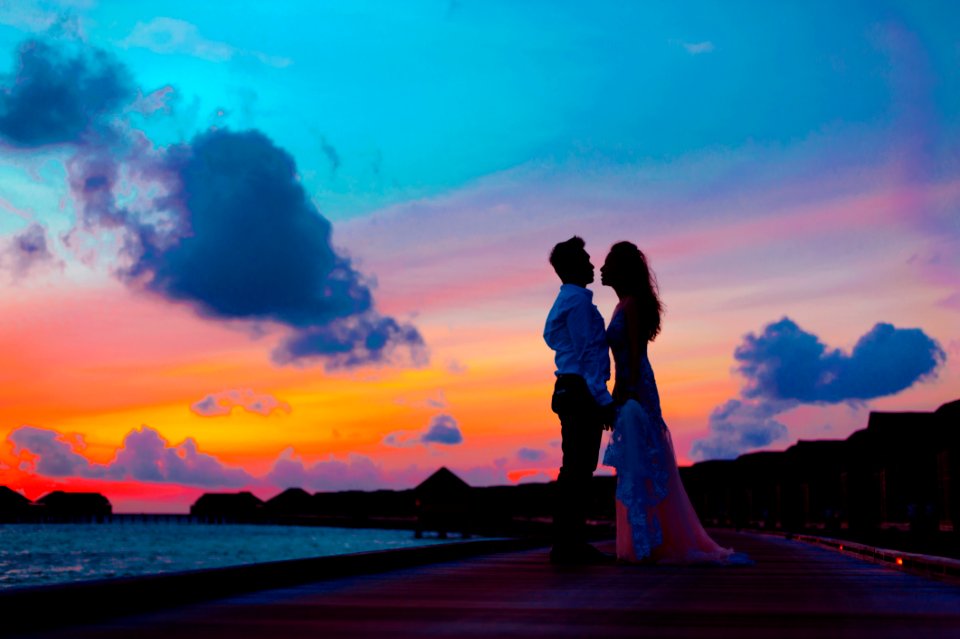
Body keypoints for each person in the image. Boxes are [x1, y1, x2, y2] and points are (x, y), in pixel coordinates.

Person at [599, 241, 750, 564]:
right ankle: (642, 540)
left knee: (644, 460)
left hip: (636, 387)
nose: (601, 268)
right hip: (628, 386)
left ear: (621, 270)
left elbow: (637, 354)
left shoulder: (633, 305)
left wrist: (624, 391)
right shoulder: (623, 304)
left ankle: (648, 542)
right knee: (635, 461)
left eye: (608, 263)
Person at [544, 236, 616, 565]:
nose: (592, 264)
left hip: (568, 388)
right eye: (586, 259)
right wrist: (603, 400)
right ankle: (568, 545)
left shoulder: (567, 301)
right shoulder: (577, 304)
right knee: (578, 469)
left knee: (575, 468)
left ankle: (568, 542)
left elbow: (554, 339)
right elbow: (588, 355)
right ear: (572, 265)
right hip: (579, 390)